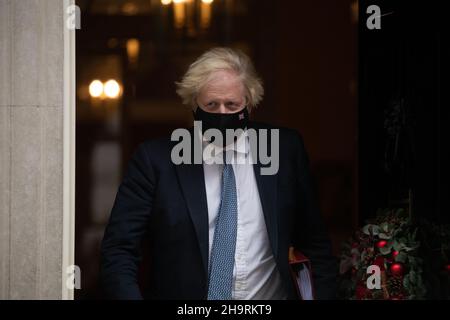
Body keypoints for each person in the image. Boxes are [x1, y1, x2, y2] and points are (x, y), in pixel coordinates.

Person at [100, 47, 337, 300]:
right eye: (211, 105)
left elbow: (315, 244)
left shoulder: (284, 150)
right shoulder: (155, 161)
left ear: (249, 103)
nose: (223, 114)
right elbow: (119, 250)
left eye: (232, 104)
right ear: (194, 105)